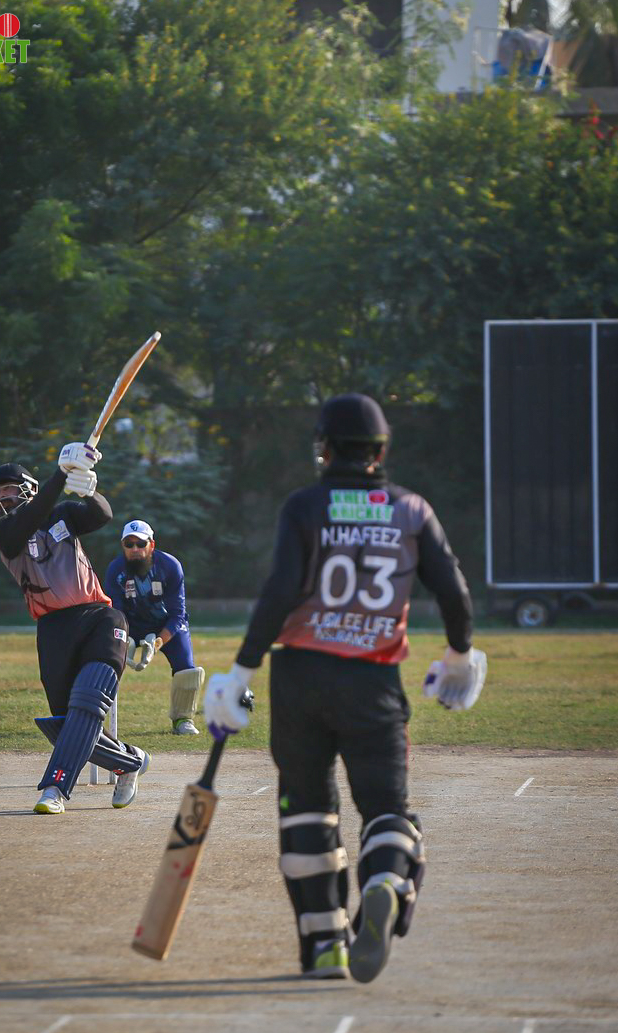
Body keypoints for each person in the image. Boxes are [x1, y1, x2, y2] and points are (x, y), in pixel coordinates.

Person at [204, 393, 487, 983]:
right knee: (385, 810)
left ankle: (325, 947)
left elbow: (281, 589)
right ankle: (384, 880)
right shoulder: (411, 508)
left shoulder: (305, 505)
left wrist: (241, 672)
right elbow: (454, 592)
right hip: (373, 680)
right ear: (380, 451)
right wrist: (459, 654)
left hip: (300, 679)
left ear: (325, 449)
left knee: (305, 813)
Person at [0, 443, 151, 815]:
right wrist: (61, 474)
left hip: (99, 618)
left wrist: (88, 490)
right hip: (53, 629)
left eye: (8, 489)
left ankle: (55, 788)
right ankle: (130, 761)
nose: (2, 497)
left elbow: (102, 515)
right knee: (66, 725)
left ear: (28, 487)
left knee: (88, 701)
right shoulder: (5, 535)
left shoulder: (61, 515)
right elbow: (26, 523)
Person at [104, 520, 204, 736]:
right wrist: (125, 638)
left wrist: (157, 643)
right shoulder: (115, 570)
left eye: (141, 543)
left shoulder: (170, 566)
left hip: (165, 625)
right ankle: (94, 718)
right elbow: (115, 612)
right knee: (104, 662)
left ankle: (183, 719)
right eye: (129, 544)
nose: (135, 549)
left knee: (187, 669)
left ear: (152, 545)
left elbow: (178, 614)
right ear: (123, 546)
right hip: (131, 625)